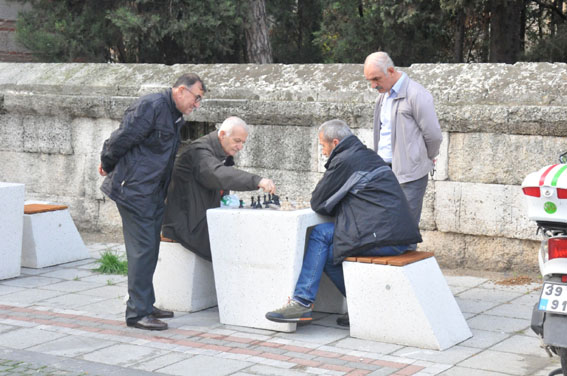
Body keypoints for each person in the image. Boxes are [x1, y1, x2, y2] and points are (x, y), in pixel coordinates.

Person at [265, 119, 421, 327]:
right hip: (398, 235)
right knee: (330, 255)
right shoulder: (367, 155)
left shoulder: (346, 160)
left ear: (335, 143)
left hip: (384, 236)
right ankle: (361, 305)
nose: (322, 152)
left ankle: (301, 303)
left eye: (323, 145)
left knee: (321, 233)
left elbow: (318, 202)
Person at [98, 73, 206, 331]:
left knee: (150, 250)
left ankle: (145, 303)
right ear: (181, 90)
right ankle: (137, 313)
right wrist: (106, 162)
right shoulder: (152, 106)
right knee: (142, 251)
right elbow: (121, 138)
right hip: (134, 191)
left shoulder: (174, 114)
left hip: (152, 192)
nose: (197, 104)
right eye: (197, 97)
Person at [161, 116, 276, 261]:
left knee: (252, 235)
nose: (240, 147)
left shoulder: (220, 152)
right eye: (237, 141)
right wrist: (257, 180)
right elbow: (218, 174)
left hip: (202, 218)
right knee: (241, 247)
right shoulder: (199, 151)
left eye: (243, 142)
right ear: (222, 135)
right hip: (188, 225)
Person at [363, 51, 443, 231]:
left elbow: (434, 135)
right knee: (383, 226)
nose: (373, 85)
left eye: (376, 79)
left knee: (405, 228)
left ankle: (405, 257)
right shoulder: (382, 96)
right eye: (369, 80)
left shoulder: (416, 94)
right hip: (383, 170)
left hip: (410, 174)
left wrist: (423, 157)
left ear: (391, 71)